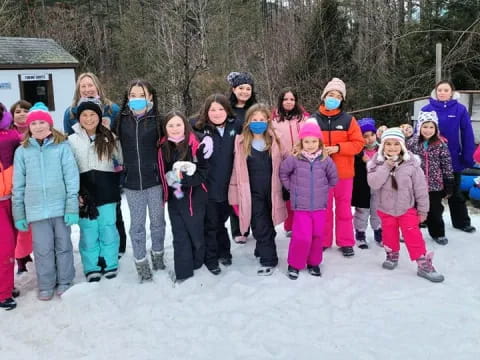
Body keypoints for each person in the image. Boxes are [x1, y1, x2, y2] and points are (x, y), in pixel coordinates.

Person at [12, 102, 80, 300]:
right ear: (29, 127)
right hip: (36, 211)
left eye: (42, 122)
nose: (39, 126)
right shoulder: (22, 152)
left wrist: (71, 206)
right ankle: (46, 283)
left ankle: (65, 280)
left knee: (63, 245)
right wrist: (19, 213)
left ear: (49, 125)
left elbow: (71, 178)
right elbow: (19, 185)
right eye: (34, 124)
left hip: (60, 208)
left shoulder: (62, 147)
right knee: (42, 250)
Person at [367, 128, 444, 283]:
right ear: (382, 145)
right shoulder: (377, 162)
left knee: (413, 235)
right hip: (385, 208)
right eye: (388, 144)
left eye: (396, 144)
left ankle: (423, 263)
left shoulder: (412, 164)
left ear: (402, 145)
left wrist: (423, 209)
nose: (392, 147)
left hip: (406, 209)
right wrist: (386, 166)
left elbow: (421, 189)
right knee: (388, 234)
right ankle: (392, 254)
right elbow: (374, 183)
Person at [64, 72, 127, 257]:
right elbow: (70, 139)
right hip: (85, 166)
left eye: (90, 85)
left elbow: (118, 135)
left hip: (108, 164)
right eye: (83, 86)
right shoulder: (70, 112)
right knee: (91, 214)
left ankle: (118, 247)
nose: (87, 89)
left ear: (97, 86)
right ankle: (96, 251)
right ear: (78, 89)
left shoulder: (112, 108)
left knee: (112, 211)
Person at [115, 79, 166, 282]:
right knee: (136, 225)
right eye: (133, 95)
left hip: (154, 181)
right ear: (128, 98)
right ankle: (141, 262)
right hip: (132, 183)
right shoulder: (120, 119)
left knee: (158, 223)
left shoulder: (158, 120)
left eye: (141, 95)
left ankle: (158, 257)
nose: (137, 99)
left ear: (150, 97)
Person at [228, 104, 287, 275]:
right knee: (260, 224)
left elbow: (287, 160)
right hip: (251, 192)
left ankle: (262, 248)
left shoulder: (275, 139)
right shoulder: (241, 142)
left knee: (268, 223)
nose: (258, 123)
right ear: (248, 122)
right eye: (255, 120)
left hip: (273, 190)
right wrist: (234, 195)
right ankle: (269, 259)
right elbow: (235, 170)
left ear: (268, 121)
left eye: (262, 119)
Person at [68, 101, 123, 282]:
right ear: (79, 118)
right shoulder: (71, 140)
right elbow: (68, 168)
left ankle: (109, 262)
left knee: (108, 228)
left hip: (107, 190)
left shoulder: (109, 137)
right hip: (84, 193)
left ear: (99, 117)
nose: (89, 118)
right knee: (89, 231)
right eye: (85, 115)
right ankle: (92, 266)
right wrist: (74, 193)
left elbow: (121, 160)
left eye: (93, 115)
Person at [311, 78, 364, 257]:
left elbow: (358, 144)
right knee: (324, 210)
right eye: (331, 95)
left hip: (344, 174)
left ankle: (346, 242)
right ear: (324, 96)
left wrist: (339, 148)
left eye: (338, 96)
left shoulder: (349, 120)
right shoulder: (313, 120)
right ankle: (324, 241)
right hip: (320, 174)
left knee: (343, 210)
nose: (334, 98)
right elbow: (304, 143)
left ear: (342, 100)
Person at [279, 119, 338, 279]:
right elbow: (283, 172)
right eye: (307, 141)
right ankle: (295, 263)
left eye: (314, 141)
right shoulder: (295, 158)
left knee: (317, 235)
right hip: (301, 207)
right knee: (302, 236)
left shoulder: (325, 160)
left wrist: (324, 188)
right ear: (301, 142)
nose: (310, 144)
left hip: (319, 206)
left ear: (319, 142)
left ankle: (314, 262)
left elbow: (333, 178)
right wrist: (290, 187)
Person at [192, 94, 242, 275]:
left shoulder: (235, 126)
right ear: (206, 112)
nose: (217, 113)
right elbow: (180, 129)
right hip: (208, 186)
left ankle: (224, 251)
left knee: (222, 221)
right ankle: (211, 258)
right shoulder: (198, 128)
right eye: (212, 109)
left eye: (220, 109)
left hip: (229, 185)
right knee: (211, 223)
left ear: (227, 110)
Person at [158, 111, 209, 281]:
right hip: (175, 198)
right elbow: (162, 170)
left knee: (196, 233)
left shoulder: (197, 143)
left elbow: (204, 172)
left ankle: (198, 260)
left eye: (178, 124)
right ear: (165, 128)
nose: (174, 129)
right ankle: (183, 271)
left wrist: (184, 179)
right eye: (170, 125)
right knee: (179, 235)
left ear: (185, 126)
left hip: (195, 197)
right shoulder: (162, 146)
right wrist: (170, 179)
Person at [421, 80, 476, 233]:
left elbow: (467, 134)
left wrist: (467, 156)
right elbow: (418, 133)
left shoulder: (460, 109)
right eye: (440, 90)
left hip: (453, 158)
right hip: (430, 159)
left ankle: (461, 222)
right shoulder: (427, 109)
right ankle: (425, 219)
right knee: (431, 194)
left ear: (452, 92)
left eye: (446, 90)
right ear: (435, 92)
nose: (442, 93)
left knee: (455, 192)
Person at [406, 111, 454, 245]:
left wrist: (449, 182)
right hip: (415, 184)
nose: (428, 130)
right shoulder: (411, 143)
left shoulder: (440, 144)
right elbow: (405, 161)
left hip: (434, 185)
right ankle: (410, 232)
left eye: (431, 127)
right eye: (425, 127)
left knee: (435, 210)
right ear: (419, 127)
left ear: (436, 129)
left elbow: (446, 164)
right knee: (412, 210)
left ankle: (438, 233)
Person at [271, 87, 309, 236]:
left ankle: (301, 223)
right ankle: (290, 225)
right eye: (285, 99)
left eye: (292, 99)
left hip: (302, 161)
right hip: (283, 162)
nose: (289, 102)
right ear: (280, 101)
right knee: (287, 194)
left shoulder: (304, 118)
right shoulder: (273, 120)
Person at [227, 71, 257, 243]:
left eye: (248, 88)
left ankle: (253, 224)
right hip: (232, 157)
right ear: (233, 89)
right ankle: (238, 229)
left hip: (252, 156)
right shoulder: (227, 110)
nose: (245, 92)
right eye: (241, 88)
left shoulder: (255, 109)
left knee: (252, 191)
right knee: (235, 192)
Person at [0, 102, 20, 310]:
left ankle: (6, 284)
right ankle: (3, 292)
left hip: (11, 199)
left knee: (11, 245)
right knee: (4, 247)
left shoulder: (11, 133)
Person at [9, 100, 34, 273]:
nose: (22, 114)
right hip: (13, 184)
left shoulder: (37, 130)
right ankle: (20, 257)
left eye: (26, 110)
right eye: (18, 111)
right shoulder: (7, 134)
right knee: (18, 223)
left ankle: (28, 252)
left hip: (33, 184)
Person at [352, 118, 382, 249]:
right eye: (365, 136)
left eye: (372, 135)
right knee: (362, 211)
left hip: (378, 186)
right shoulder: (357, 152)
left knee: (378, 210)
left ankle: (379, 232)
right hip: (362, 187)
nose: (369, 139)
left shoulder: (382, 149)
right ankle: (360, 233)